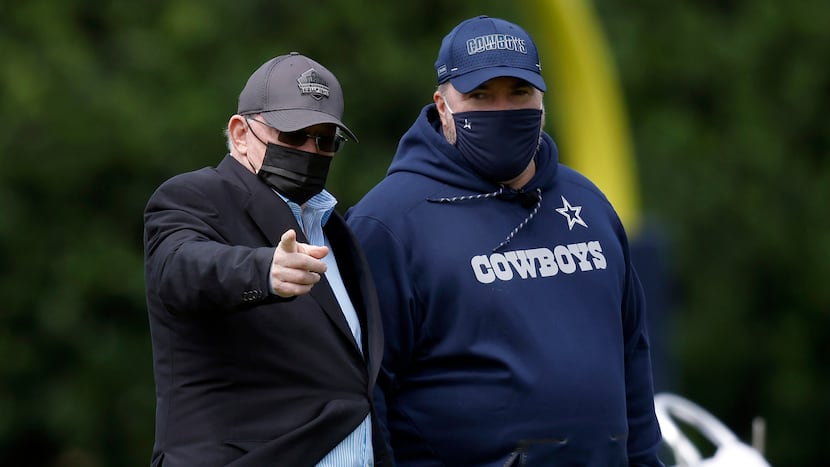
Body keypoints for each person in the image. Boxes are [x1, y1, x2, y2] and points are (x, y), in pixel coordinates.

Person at [346, 15, 664, 466]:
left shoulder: (587, 202)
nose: (502, 110)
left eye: (519, 93)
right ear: (442, 105)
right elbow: (360, 391)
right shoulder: (390, 223)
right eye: (480, 95)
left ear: (542, 99)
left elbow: (632, 354)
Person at [144, 52, 390, 467]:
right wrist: (263, 270)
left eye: (326, 140)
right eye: (294, 136)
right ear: (240, 133)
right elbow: (178, 268)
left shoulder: (335, 228)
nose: (311, 151)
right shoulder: (194, 196)